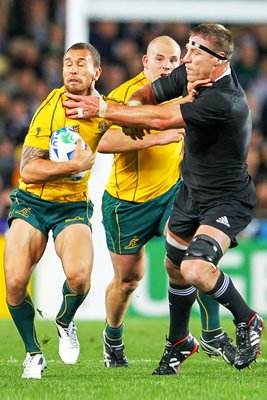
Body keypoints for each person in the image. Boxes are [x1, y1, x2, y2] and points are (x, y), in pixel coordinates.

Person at [63, 24, 264, 374]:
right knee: (168, 268)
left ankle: (246, 319)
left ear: (218, 61)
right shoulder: (188, 75)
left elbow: (162, 118)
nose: (182, 61)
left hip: (225, 199)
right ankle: (178, 342)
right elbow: (145, 100)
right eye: (176, 53)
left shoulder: (223, 100)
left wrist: (105, 109)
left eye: (191, 52)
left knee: (194, 267)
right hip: (180, 194)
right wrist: (132, 115)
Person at [4, 42, 113, 379]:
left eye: (81, 64)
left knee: (80, 280)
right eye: (67, 63)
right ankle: (33, 352)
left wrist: (156, 138)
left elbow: (114, 138)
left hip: (70, 207)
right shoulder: (51, 107)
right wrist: (74, 165)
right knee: (15, 284)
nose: (72, 69)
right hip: (33, 203)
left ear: (96, 72)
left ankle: (65, 320)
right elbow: (29, 170)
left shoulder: (103, 110)